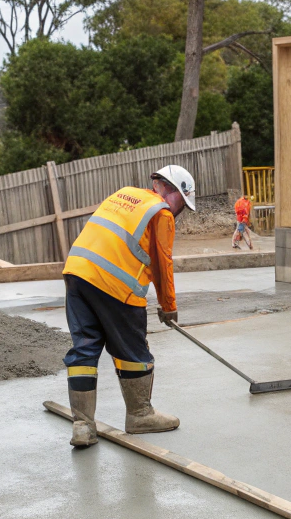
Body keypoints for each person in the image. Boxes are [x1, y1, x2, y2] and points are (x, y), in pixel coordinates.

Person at [60, 165, 196, 447]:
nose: (180, 211)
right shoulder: (161, 212)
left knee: (84, 347)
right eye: (184, 203)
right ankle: (140, 415)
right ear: (174, 192)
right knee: (132, 351)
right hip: (114, 283)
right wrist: (169, 306)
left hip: (76, 274)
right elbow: (162, 262)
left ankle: (83, 426)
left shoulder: (124, 195)